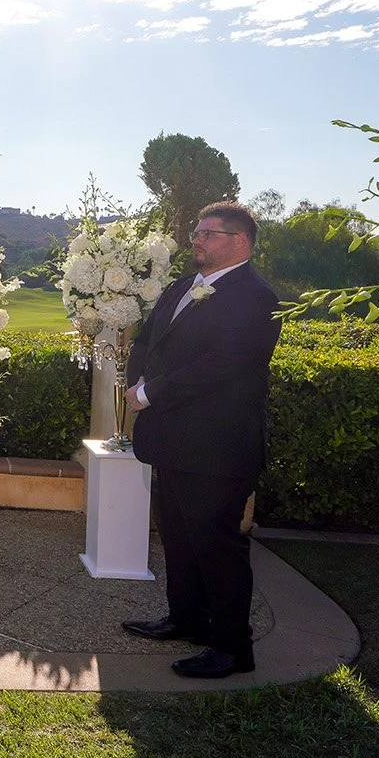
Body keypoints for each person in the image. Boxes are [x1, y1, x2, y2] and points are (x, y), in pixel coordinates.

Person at [121, 202, 282, 679]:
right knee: (178, 537)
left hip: (217, 448)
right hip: (170, 440)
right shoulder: (180, 288)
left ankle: (233, 647)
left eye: (210, 233)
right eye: (197, 230)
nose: (198, 239)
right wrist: (135, 384)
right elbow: (147, 342)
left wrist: (149, 393)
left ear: (240, 242)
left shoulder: (257, 298)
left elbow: (223, 366)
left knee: (216, 545)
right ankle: (186, 618)